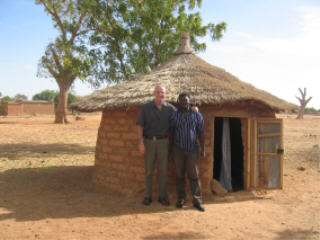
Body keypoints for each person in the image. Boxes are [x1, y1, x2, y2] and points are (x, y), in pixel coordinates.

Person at [136, 85, 176, 206]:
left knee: (163, 171)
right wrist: (141, 143)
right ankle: (148, 196)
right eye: (158, 92)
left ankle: (162, 197)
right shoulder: (146, 108)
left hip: (164, 143)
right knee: (148, 171)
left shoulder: (170, 109)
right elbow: (139, 126)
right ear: (154, 93)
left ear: (165, 94)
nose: (160, 94)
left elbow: (181, 115)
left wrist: (193, 109)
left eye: (162, 92)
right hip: (148, 143)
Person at [170, 93, 206, 212]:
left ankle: (197, 201)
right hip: (178, 149)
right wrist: (171, 150)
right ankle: (181, 199)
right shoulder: (174, 115)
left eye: (186, 100)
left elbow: (201, 132)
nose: (184, 102)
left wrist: (203, 148)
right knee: (179, 175)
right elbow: (171, 132)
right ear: (178, 102)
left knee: (194, 176)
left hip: (192, 150)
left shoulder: (196, 115)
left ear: (190, 101)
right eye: (182, 100)